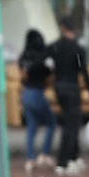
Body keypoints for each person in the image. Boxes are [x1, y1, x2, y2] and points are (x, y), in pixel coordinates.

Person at [46, 20, 89, 176]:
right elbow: (84, 72)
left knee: (69, 122)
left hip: (59, 88)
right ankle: (64, 161)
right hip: (72, 88)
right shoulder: (78, 49)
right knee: (72, 126)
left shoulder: (55, 47)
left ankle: (73, 157)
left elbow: (44, 62)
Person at [14, 26, 57, 168]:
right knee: (51, 122)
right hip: (38, 92)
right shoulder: (42, 57)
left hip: (26, 93)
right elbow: (50, 75)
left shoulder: (23, 56)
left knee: (31, 127)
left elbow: (22, 74)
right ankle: (44, 153)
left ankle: (30, 158)